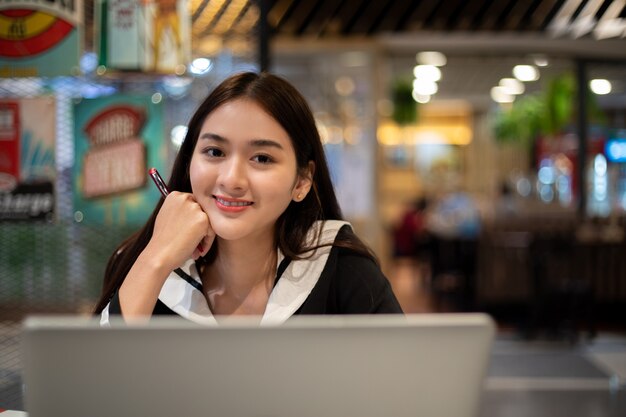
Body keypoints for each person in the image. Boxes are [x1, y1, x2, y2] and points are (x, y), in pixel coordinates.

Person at [94, 72, 402, 324]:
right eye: (214, 152)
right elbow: (95, 384)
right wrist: (155, 259)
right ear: (189, 161)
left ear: (303, 180)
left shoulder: (341, 268)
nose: (231, 179)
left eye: (262, 158)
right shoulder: (143, 262)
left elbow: (399, 384)